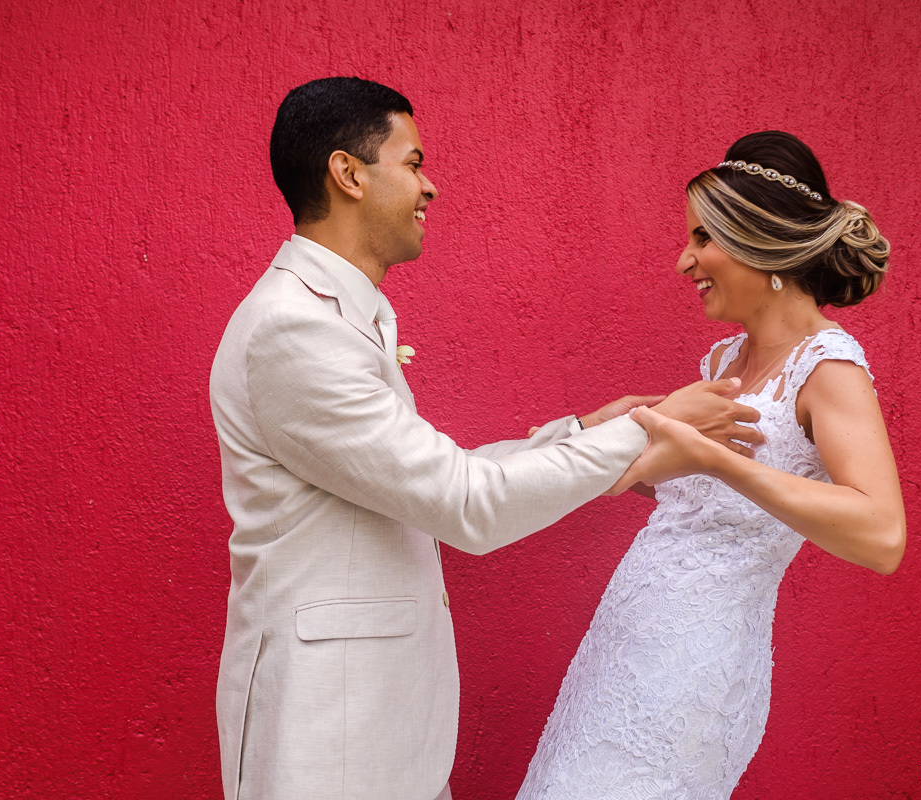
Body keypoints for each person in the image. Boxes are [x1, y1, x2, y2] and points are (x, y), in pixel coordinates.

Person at [208, 77, 764, 800]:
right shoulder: (297, 329)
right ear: (348, 174)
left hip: (381, 734)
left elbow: (438, 477)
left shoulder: (338, 316)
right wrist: (644, 432)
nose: (430, 186)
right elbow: (467, 504)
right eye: (412, 163)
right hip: (330, 738)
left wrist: (583, 430)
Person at [516, 131, 907, 799]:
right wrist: (624, 438)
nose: (683, 261)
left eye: (703, 239)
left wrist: (712, 461)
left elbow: (882, 534)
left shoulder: (829, 367)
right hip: (626, 640)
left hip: (695, 667)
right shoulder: (726, 362)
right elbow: (701, 499)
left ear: (762, 243)